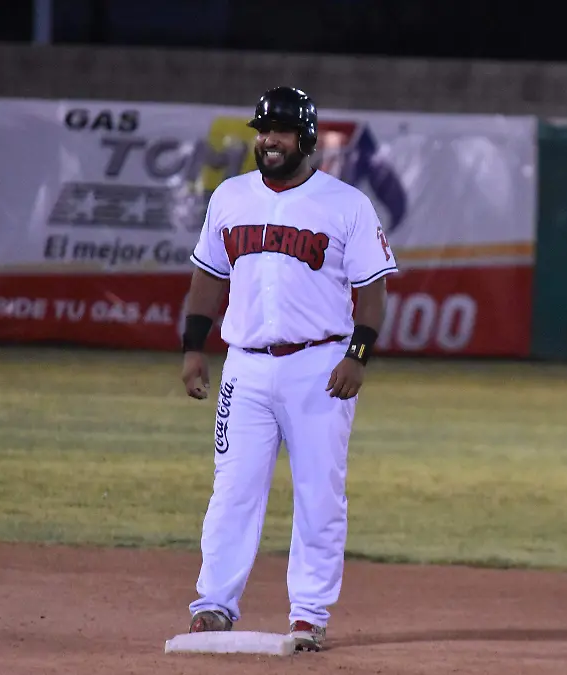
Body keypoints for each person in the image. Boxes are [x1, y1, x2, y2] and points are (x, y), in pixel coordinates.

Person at [178, 85, 398, 652]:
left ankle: (308, 614)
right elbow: (208, 276)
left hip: (320, 366)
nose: (269, 140)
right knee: (233, 490)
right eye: (263, 131)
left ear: (306, 138)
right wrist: (193, 347)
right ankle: (213, 604)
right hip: (245, 367)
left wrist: (358, 355)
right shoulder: (230, 197)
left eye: (280, 130)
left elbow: (373, 289)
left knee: (319, 494)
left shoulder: (345, 204)